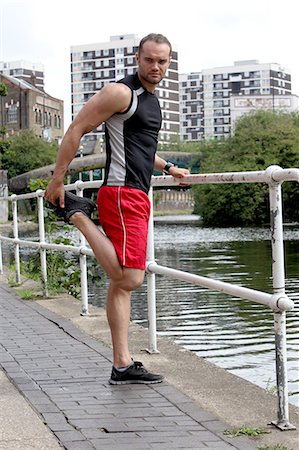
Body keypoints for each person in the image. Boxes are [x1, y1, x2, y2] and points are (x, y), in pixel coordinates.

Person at [45, 33, 190, 385]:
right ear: (137, 58)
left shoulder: (151, 100)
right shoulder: (121, 93)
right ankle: (78, 215)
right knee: (130, 277)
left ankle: (122, 364)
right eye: (149, 60)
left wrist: (169, 168)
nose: (156, 67)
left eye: (163, 61)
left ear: (169, 62)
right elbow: (77, 128)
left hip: (137, 193)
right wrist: (57, 180)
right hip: (122, 194)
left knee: (120, 285)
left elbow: (140, 149)